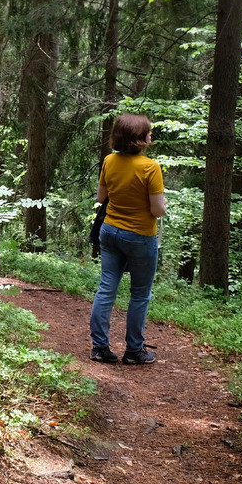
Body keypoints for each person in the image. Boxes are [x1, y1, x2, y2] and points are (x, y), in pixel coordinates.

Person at [89, 113, 166, 365]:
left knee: (106, 288)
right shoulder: (150, 167)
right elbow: (157, 210)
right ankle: (134, 351)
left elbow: (102, 197)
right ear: (138, 138)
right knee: (140, 293)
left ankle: (100, 348)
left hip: (110, 232)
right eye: (148, 132)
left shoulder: (109, 160)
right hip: (140, 236)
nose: (151, 135)